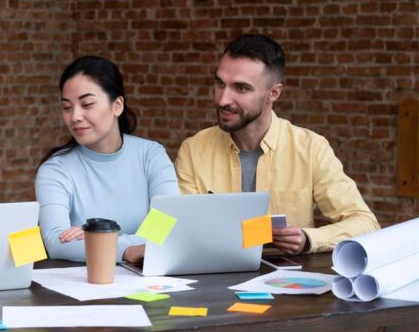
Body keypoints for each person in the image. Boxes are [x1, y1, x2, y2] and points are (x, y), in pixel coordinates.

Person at [175, 34, 380, 254]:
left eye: (241, 88)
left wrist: (309, 238)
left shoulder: (311, 149)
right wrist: (142, 244)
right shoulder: (193, 150)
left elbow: (366, 223)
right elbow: (173, 222)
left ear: (273, 93)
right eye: (219, 83)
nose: (223, 99)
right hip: (212, 274)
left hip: (285, 278)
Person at [36, 56, 179, 264]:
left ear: (117, 106)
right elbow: (55, 243)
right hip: (84, 288)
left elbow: (166, 226)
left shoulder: (152, 155)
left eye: (87, 104)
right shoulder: (55, 169)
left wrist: (97, 240)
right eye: (67, 107)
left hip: (149, 283)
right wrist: (127, 250)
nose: (75, 116)